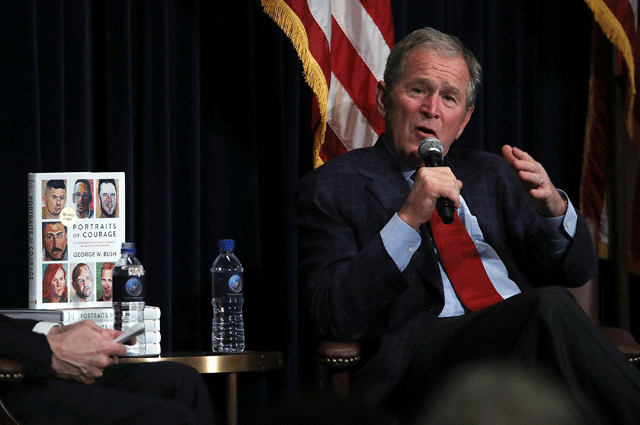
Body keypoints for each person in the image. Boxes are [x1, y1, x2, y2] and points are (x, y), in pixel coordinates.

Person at [296, 27, 640, 424]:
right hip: (422, 363)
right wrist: (408, 218)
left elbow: (576, 268)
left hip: (521, 342)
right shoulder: (332, 187)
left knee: (548, 325)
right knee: (547, 306)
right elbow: (332, 313)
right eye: (418, 90)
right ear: (383, 97)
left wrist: (553, 207)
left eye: (449, 97)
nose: (432, 109)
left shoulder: (491, 174)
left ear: (463, 120)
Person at [0, 314, 217, 424]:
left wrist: (54, 333)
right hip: (8, 382)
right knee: (172, 418)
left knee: (182, 382)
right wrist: (51, 351)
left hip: (19, 351)